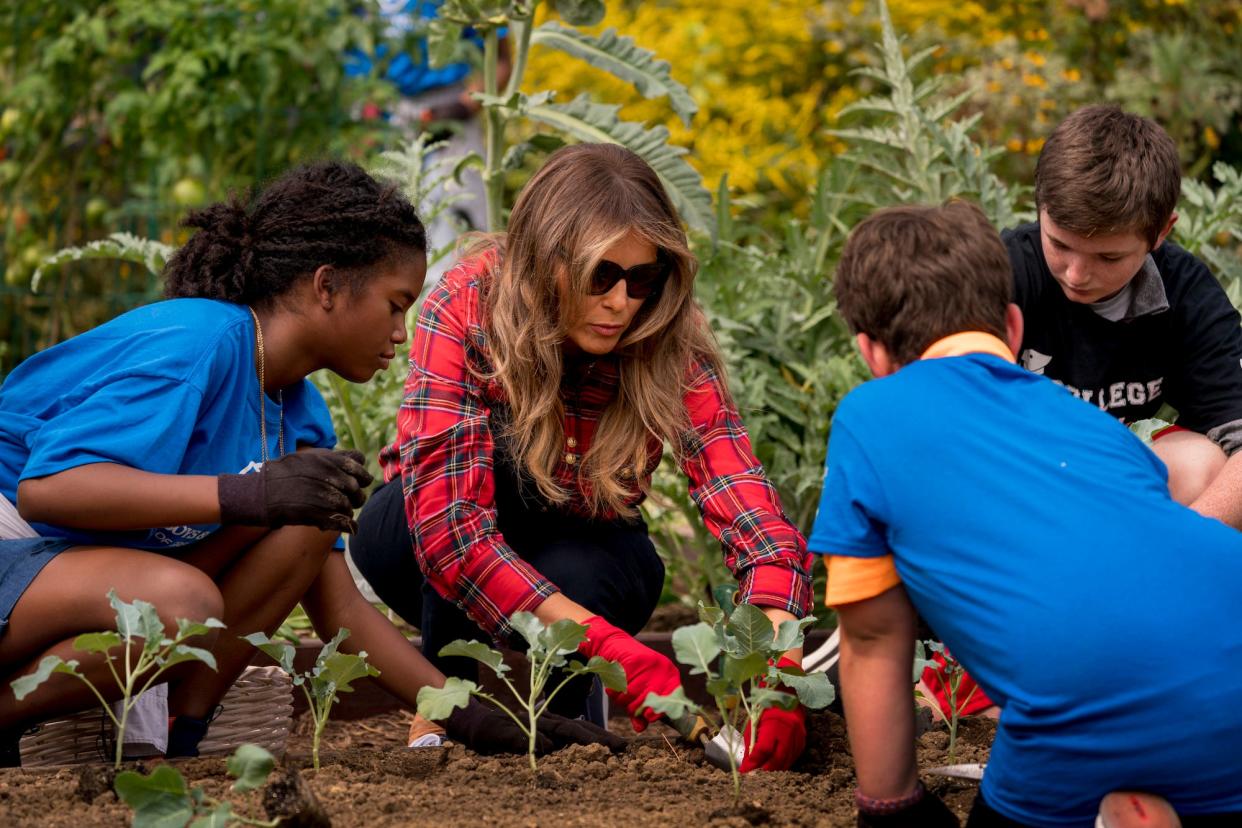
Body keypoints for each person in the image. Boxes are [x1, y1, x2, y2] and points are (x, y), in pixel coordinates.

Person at [0, 160, 618, 766]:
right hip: (16, 532)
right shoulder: (202, 340)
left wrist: (473, 718)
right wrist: (249, 496)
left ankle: (179, 739)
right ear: (326, 286)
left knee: (306, 520)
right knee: (182, 603)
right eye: (395, 304)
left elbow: (341, 609)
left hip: (75, 567)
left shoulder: (299, 413)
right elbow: (49, 489)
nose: (401, 334)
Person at [351, 142, 814, 771]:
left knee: (598, 570)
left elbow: (752, 514)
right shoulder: (467, 304)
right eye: (601, 275)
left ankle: (568, 730)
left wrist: (779, 662)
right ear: (546, 261)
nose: (622, 302)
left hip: (582, 537)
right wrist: (613, 650)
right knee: (483, 475)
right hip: (425, 540)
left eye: (642, 278)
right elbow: (451, 532)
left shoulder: (669, 337)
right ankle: (444, 702)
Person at [807, 200, 1242, 827]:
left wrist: (893, 806)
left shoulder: (869, 417)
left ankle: (1121, 802)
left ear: (871, 355)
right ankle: (1135, 808)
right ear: (1012, 330)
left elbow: (874, 638)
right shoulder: (1097, 428)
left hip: (1083, 719)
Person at [1006, 104, 1242, 521]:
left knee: (1204, 465)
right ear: (1039, 206)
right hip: (1012, 474)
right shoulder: (1001, 272)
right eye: (1059, 245)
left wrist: (1183, 543)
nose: (1076, 274)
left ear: (1161, 232)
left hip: (1111, 481)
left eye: (1109, 257)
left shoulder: (1186, 294)